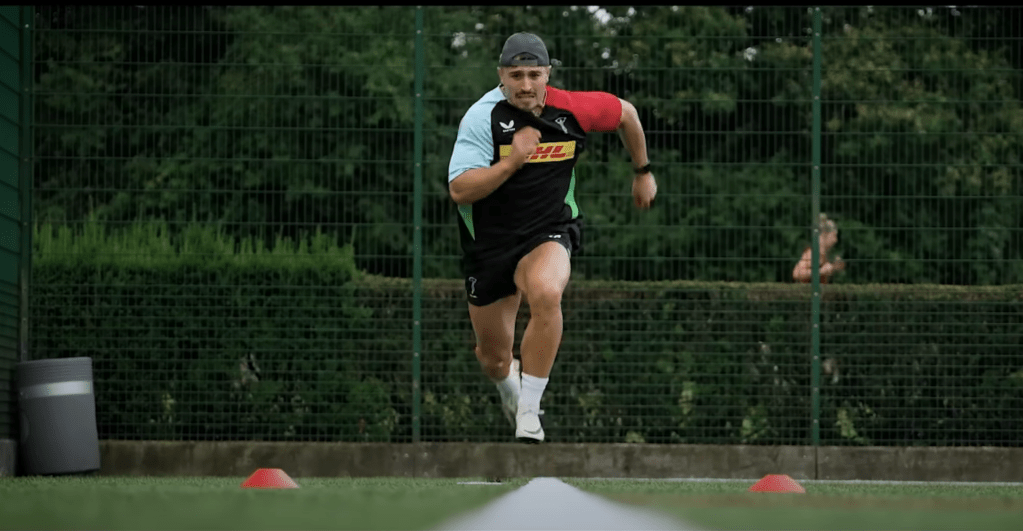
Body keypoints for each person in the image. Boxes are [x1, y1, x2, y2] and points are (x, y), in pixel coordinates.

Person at [447, 32, 657, 443]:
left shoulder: (573, 108)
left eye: (534, 75)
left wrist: (642, 172)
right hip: (490, 245)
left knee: (546, 292)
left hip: (548, 230)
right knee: (493, 359)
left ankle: (529, 410)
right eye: (516, 76)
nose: (526, 85)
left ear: (548, 74)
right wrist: (513, 161)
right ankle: (509, 387)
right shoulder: (481, 118)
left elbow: (627, 114)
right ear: (501, 76)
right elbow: (459, 190)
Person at [792, 213, 845, 283]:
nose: (836, 240)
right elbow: (796, 274)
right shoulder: (813, 253)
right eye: (834, 236)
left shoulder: (823, 254)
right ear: (825, 234)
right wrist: (822, 271)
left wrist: (834, 267)